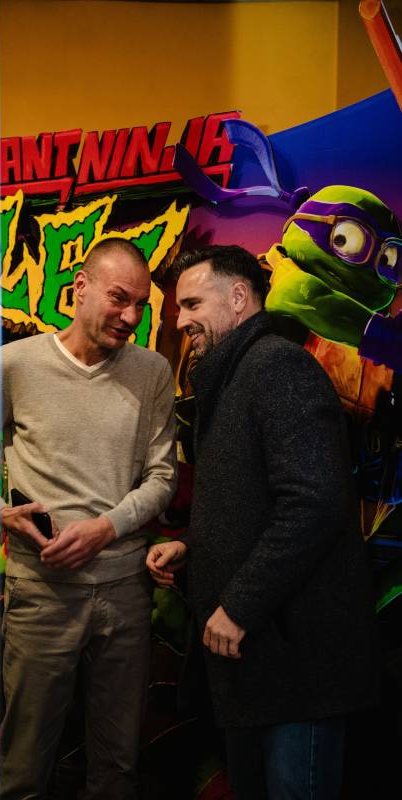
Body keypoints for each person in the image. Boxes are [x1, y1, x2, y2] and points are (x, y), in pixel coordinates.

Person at [147, 245, 379, 800]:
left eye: (192, 304)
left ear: (238, 297)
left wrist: (240, 605)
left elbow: (315, 502)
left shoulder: (276, 366)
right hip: (257, 666)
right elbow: (255, 503)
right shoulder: (235, 375)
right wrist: (194, 545)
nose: (180, 322)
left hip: (297, 666)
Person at [0, 238, 177, 800]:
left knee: (117, 767)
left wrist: (105, 528)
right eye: (119, 298)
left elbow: (162, 478)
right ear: (80, 287)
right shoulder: (14, 366)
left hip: (125, 592)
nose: (131, 316)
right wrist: (1, 512)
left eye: (141, 305)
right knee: (24, 767)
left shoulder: (153, 371)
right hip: (41, 592)